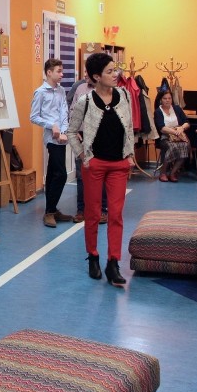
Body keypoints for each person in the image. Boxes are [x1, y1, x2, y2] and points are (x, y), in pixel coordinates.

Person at [67, 52, 135, 286]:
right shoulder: (84, 102)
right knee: (93, 214)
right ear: (96, 76)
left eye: (115, 70)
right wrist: (83, 155)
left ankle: (113, 262)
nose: (115, 74)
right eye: (109, 71)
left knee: (115, 215)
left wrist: (130, 154)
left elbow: (129, 127)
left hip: (118, 165)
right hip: (94, 165)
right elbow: (71, 131)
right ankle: (93, 256)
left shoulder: (124, 96)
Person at [30, 58, 73, 227]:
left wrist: (63, 130)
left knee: (53, 172)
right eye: (58, 71)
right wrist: (52, 126)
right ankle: (49, 212)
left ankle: (52, 209)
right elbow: (33, 117)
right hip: (51, 138)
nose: (62, 74)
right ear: (49, 72)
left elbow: (64, 111)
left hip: (61, 137)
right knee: (61, 174)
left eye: (62, 71)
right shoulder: (40, 92)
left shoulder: (61, 90)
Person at [69, 70, 109, 224]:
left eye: (89, 72)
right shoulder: (80, 89)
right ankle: (81, 210)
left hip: (101, 138)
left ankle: (102, 210)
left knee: (102, 175)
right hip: (82, 137)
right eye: (85, 71)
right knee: (81, 175)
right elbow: (73, 111)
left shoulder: (107, 91)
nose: (86, 75)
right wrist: (75, 130)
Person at [153, 90, 190, 182]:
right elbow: (162, 128)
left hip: (179, 136)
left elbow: (187, 122)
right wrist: (174, 132)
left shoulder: (177, 109)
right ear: (160, 100)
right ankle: (163, 172)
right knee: (172, 146)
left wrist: (181, 128)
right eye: (165, 98)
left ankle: (173, 172)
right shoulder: (158, 111)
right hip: (164, 137)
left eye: (169, 98)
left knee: (185, 146)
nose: (167, 100)